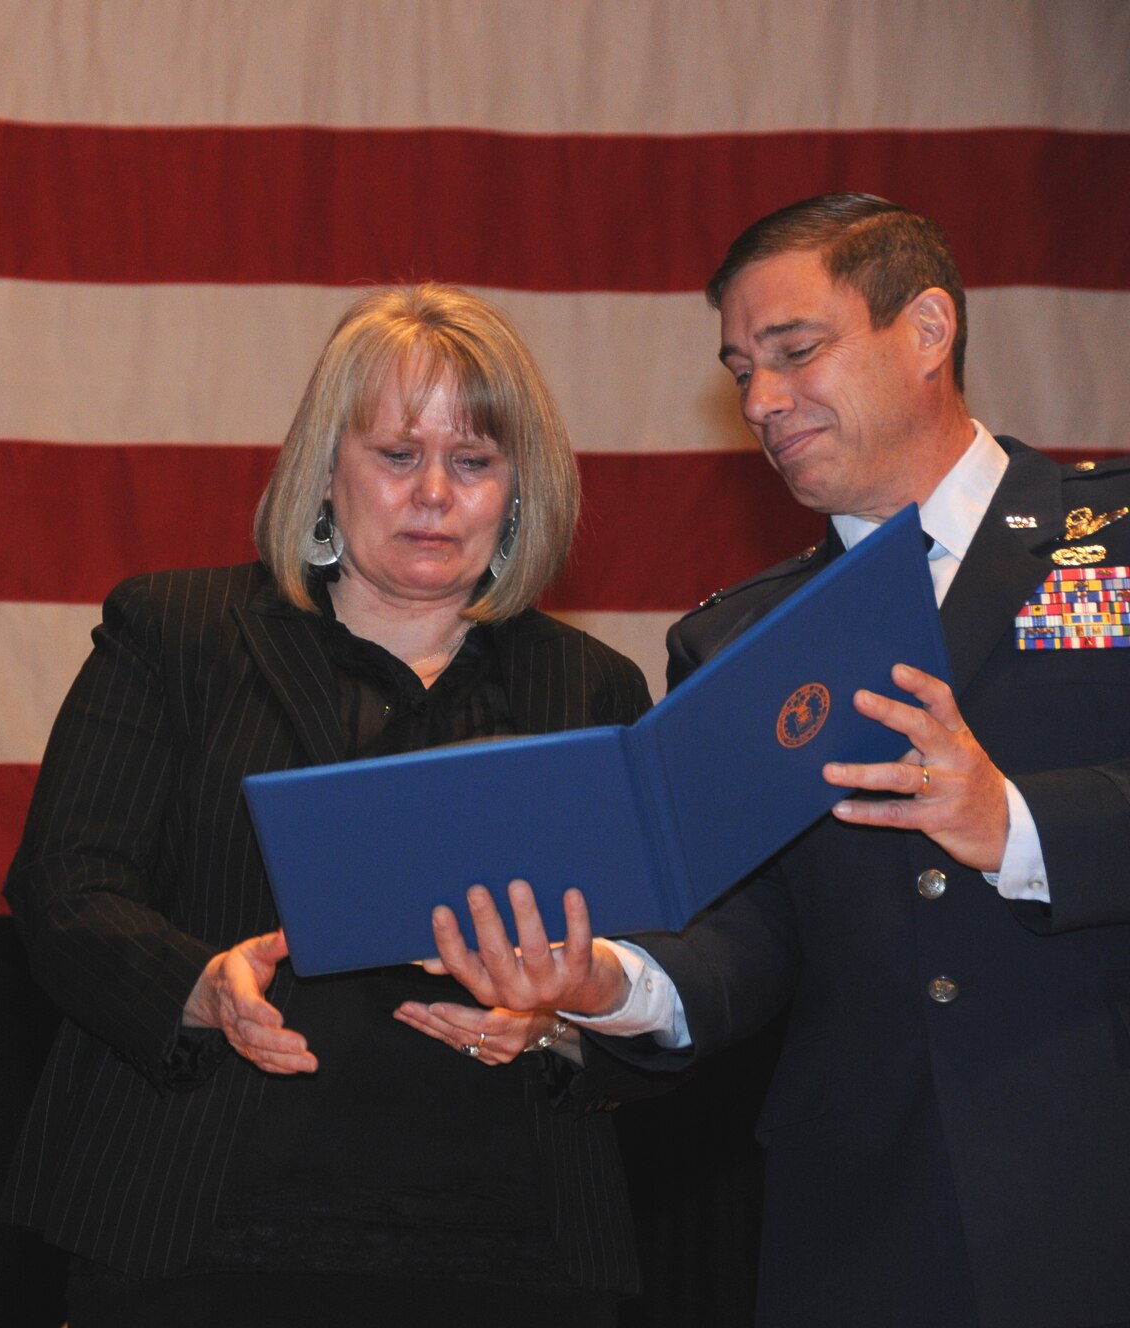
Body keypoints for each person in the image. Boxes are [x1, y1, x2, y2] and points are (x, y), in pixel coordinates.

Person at [419, 194, 1130, 1327]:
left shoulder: (1110, 544)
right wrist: (606, 981)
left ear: (927, 329)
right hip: (862, 1220)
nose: (758, 400)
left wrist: (1014, 820)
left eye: (794, 352)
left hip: (1093, 1184)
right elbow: (751, 929)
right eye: (740, 368)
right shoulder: (737, 641)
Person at [0, 284, 658, 1325]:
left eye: (474, 461)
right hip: (195, 1232)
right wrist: (198, 985)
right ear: (325, 471)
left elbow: (652, 972)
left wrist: (554, 1022)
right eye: (397, 455)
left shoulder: (592, 691)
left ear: (518, 490)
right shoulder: (177, 632)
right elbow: (64, 887)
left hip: (511, 1249)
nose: (434, 493)